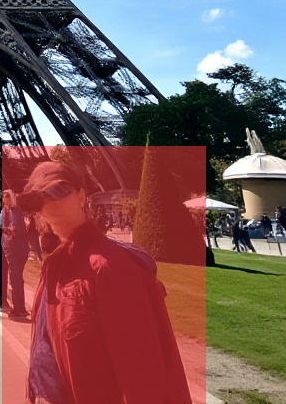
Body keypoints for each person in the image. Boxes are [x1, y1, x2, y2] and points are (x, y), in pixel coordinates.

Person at [18, 160, 192, 404]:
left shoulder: (108, 268)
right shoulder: (56, 267)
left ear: (81, 197)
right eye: (38, 199)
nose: (49, 203)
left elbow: (142, 373)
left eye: (58, 191)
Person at [1, 189, 30, 319]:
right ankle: (17, 307)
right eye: (4, 197)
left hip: (19, 248)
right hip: (9, 248)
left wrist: (12, 231)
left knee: (17, 277)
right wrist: (7, 231)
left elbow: (19, 228)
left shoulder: (17, 211)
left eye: (7, 197)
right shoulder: (4, 211)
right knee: (14, 276)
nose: (5, 199)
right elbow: (2, 226)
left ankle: (19, 307)